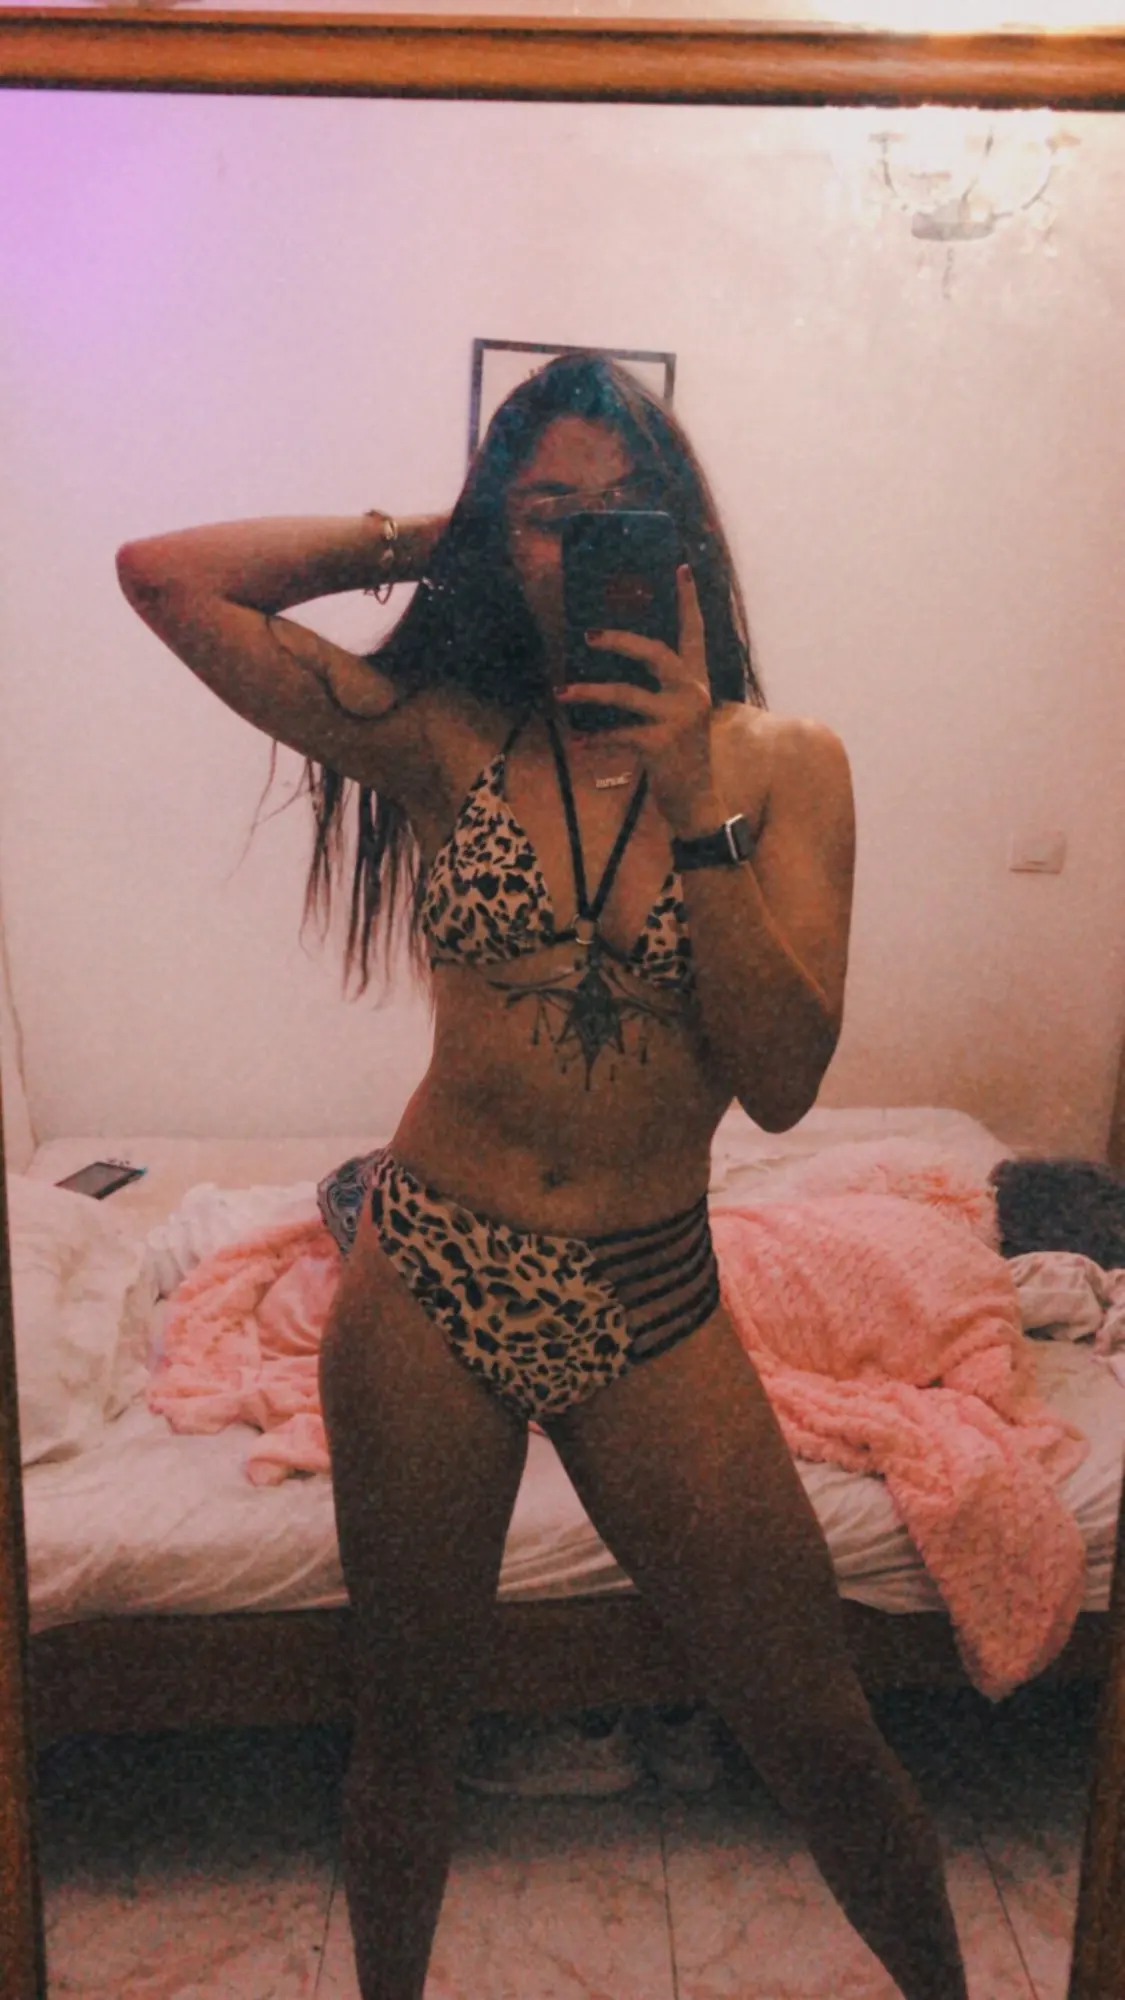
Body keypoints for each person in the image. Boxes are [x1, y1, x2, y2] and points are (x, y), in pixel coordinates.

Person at [116, 353, 968, 2000]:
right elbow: (166, 578)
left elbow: (784, 1082)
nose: (581, 546)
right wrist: (424, 534)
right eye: (545, 516)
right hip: (428, 1280)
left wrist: (696, 798)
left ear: (685, 540)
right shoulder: (449, 735)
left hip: (649, 1296)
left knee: (819, 1730)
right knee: (406, 1737)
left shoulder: (788, 765)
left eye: (619, 515)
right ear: (498, 544)